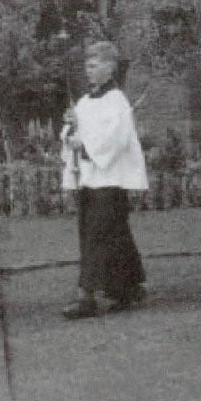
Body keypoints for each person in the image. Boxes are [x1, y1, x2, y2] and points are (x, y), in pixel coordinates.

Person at [61, 41, 148, 319]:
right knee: (114, 235)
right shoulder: (84, 102)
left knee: (98, 237)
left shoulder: (117, 101)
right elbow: (71, 136)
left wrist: (84, 147)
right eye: (87, 65)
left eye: (95, 64)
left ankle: (86, 297)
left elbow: (116, 139)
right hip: (90, 177)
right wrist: (70, 127)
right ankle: (128, 287)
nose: (89, 70)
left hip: (110, 178)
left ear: (110, 68)